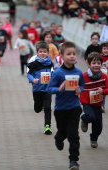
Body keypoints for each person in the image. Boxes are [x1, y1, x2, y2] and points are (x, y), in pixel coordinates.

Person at [47, 42, 85, 170]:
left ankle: (73, 161)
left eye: (74, 54)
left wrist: (80, 90)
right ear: (61, 56)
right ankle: (59, 138)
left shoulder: (79, 72)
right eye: (69, 54)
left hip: (74, 107)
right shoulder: (58, 73)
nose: (72, 56)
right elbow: (49, 89)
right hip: (60, 109)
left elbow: (83, 85)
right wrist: (59, 89)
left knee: (73, 134)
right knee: (63, 132)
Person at [80, 52, 108, 149]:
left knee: (99, 126)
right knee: (91, 117)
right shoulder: (83, 76)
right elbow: (77, 86)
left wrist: (103, 91)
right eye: (94, 63)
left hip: (97, 104)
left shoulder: (104, 77)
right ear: (88, 64)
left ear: (101, 64)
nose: (96, 65)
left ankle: (94, 139)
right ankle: (84, 119)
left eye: (98, 63)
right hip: (86, 102)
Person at [27, 41, 53, 135]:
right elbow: (29, 74)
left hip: (47, 89)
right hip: (37, 89)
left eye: (44, 51)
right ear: (37, 52)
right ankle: (39, 105)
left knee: (47, 108)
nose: (43, 53)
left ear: (47, 52)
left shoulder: (50, 63)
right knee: (37, 109)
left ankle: (47, 126)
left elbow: (53, 73)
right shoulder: (34, 64)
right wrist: (33, 80)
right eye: (40, 51)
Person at [100, 41, 108, 113]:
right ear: (102, 49)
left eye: (107, 49)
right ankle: (100, 105)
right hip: (100, 77)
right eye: (104, 48)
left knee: (105, 92)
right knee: (101, 91)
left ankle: (102, 105)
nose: (106, 50)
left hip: (107, 78)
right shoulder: (99, 57)